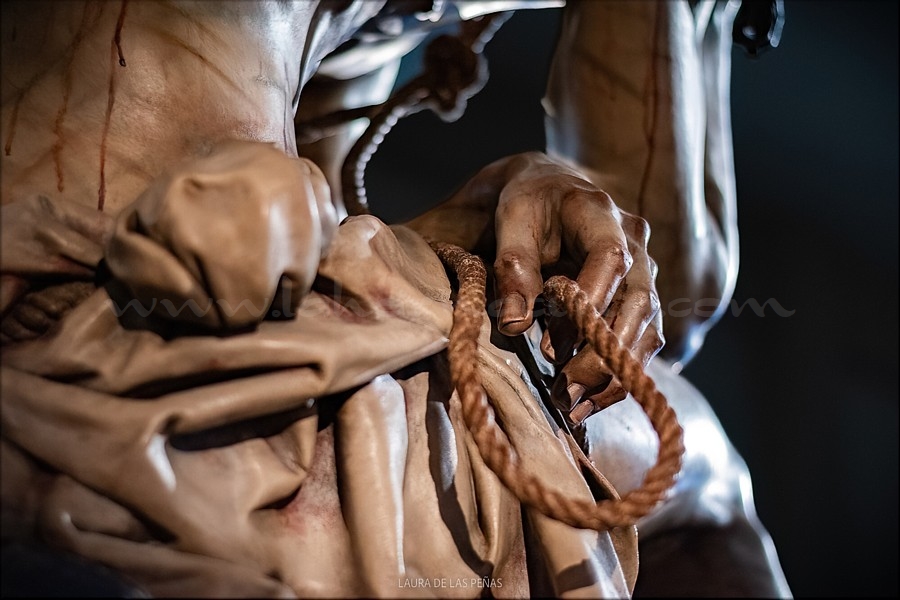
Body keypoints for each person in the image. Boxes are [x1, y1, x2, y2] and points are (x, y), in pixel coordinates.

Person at [0, 0, 789, 596]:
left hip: (252, 272)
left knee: (697, 467)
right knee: (708, 475)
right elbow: (675, 298)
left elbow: (640, 315)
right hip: (127, 294)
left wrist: (499, 198)